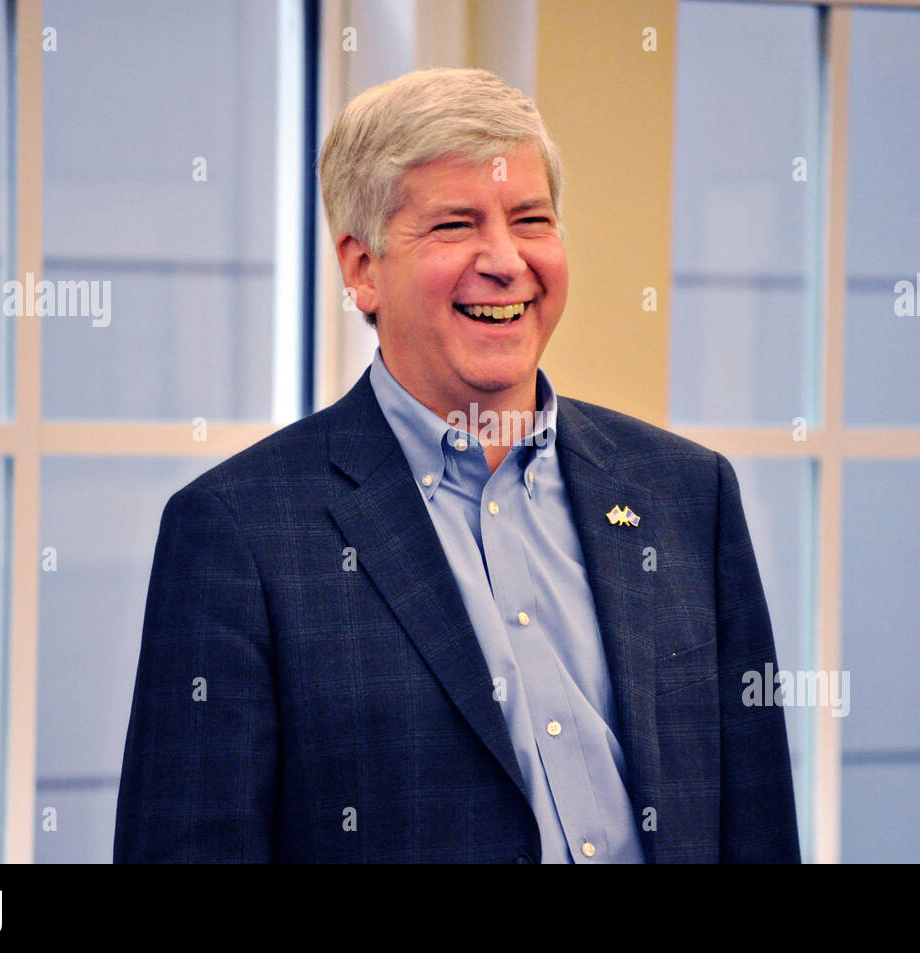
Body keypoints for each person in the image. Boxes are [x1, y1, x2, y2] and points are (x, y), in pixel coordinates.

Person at [114, 67, 799, 863]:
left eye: (531, 218)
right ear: (362, 269)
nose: (505, 260)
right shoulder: (237, 533)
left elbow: (758, 826)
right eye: (454, 225)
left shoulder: (687, 493)